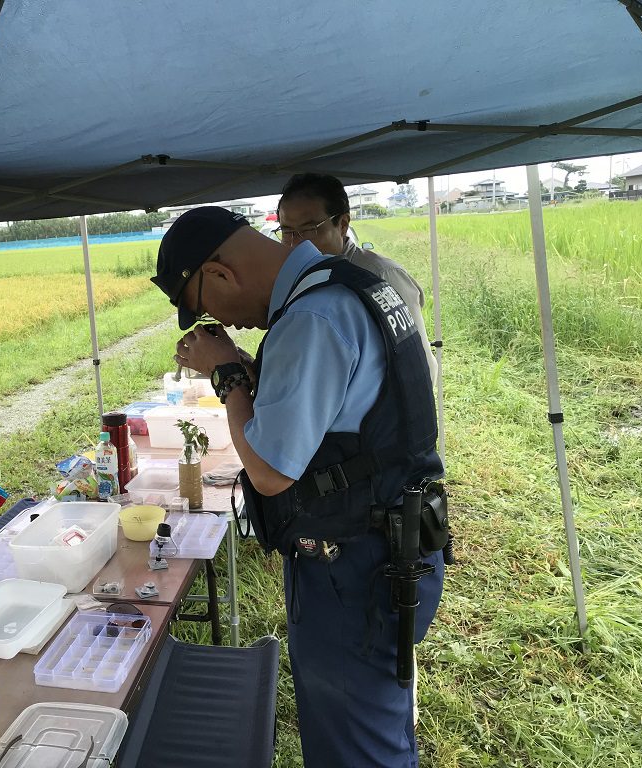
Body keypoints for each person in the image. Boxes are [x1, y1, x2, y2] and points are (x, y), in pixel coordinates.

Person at [150, 206, 445, 768]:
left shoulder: (313, 316)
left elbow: (269, 469)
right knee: (368, 726)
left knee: (356, 747)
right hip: (390, 544)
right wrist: (246, 367)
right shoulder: (351, 285)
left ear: (220, 273)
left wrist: (227, 374)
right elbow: (338, 419)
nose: (225, 322)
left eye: (206, 305)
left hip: (355, 570)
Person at [277, 173, 438, 384]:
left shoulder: (381, 276)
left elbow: (417, 363)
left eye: (309, 230)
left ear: (342, 224)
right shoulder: (299, 277)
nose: (295, 244)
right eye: (287, 232)